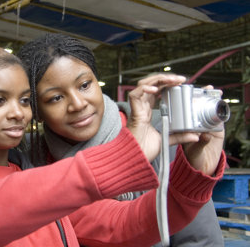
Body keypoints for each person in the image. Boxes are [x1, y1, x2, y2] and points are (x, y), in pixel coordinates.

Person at [0, 45, 223, 247]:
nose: (18, 112)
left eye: (24, 100)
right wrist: (118, 158)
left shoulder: (36, 174)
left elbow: (126, 223)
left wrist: (193, 175)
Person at [18, 33, 226, 246]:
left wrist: (194, 177)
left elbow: (200, 238)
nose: (78, 104)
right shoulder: (33, 162)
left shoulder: (163, 134)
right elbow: (112, 225)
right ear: (37, 112)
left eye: (84, 85)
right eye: (56, 98)